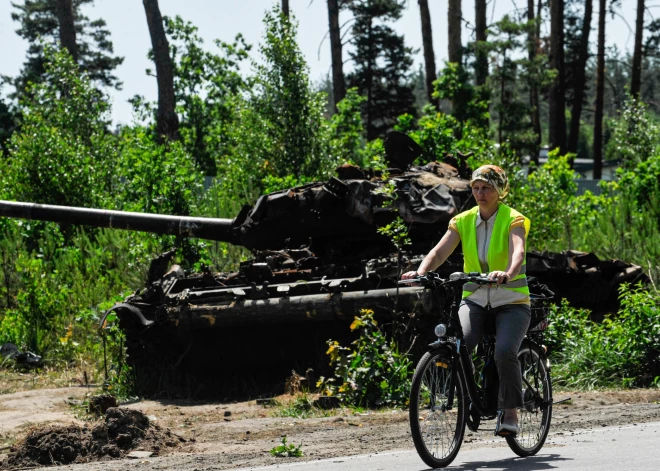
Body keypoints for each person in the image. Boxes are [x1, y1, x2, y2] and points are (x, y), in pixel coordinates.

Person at [401, 164, 530, 437]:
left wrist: (507, 273)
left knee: (504, 350)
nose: (480, 193)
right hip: (475, 300)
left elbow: (518, 253)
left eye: (486, 188)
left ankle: (510, 412)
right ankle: (472, 396)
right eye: (476, 188)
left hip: (512, 301)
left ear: (500, 191)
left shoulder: (513, 219)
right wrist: (421, 272)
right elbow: (439, 252)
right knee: (461, 344)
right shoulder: (462, 220)